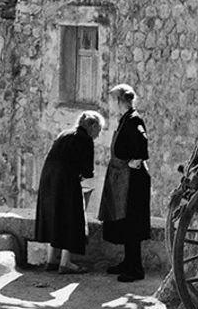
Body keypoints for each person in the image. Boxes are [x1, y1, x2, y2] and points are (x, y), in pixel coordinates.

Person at [35, 110, 105, 274]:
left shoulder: (64, 134)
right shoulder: (85, 139)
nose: (98, 134)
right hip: (66, 181)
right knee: (71, 218)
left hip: (48, 179)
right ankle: (65, 263)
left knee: (55, 216)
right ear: (92, 126)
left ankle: (52, 260)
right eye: (98, 130)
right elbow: (88, 171)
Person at [98, 83, 151, 282]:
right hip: (125, 179)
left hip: (133, 181)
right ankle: (128, 262)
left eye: (114, 100)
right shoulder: (126, 119)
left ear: (121, 101)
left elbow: (141, 147)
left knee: (132, 224)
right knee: (126, 222)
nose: (112, 104)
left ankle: (136, 268)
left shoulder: (134, 119)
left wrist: (133, 163)